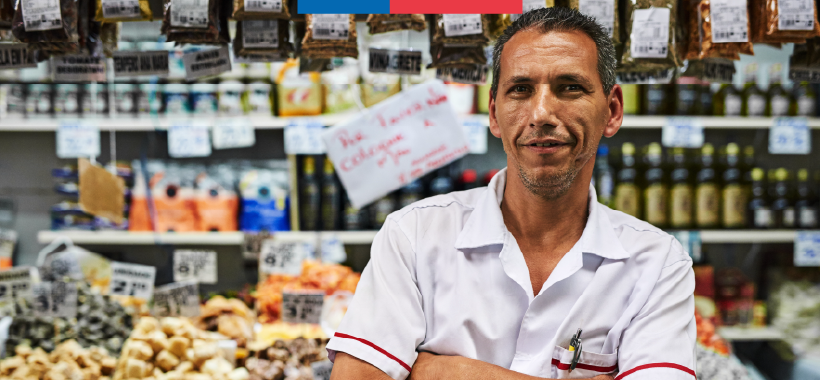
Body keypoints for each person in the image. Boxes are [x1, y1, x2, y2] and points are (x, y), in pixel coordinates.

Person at [328, 7, 696, 380]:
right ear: (494, 113)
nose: (541, 114)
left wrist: (443, 370)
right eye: (520, 89)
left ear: (612, 110)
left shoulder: (657, 263)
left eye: (570, 87)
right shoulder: (414, 235)